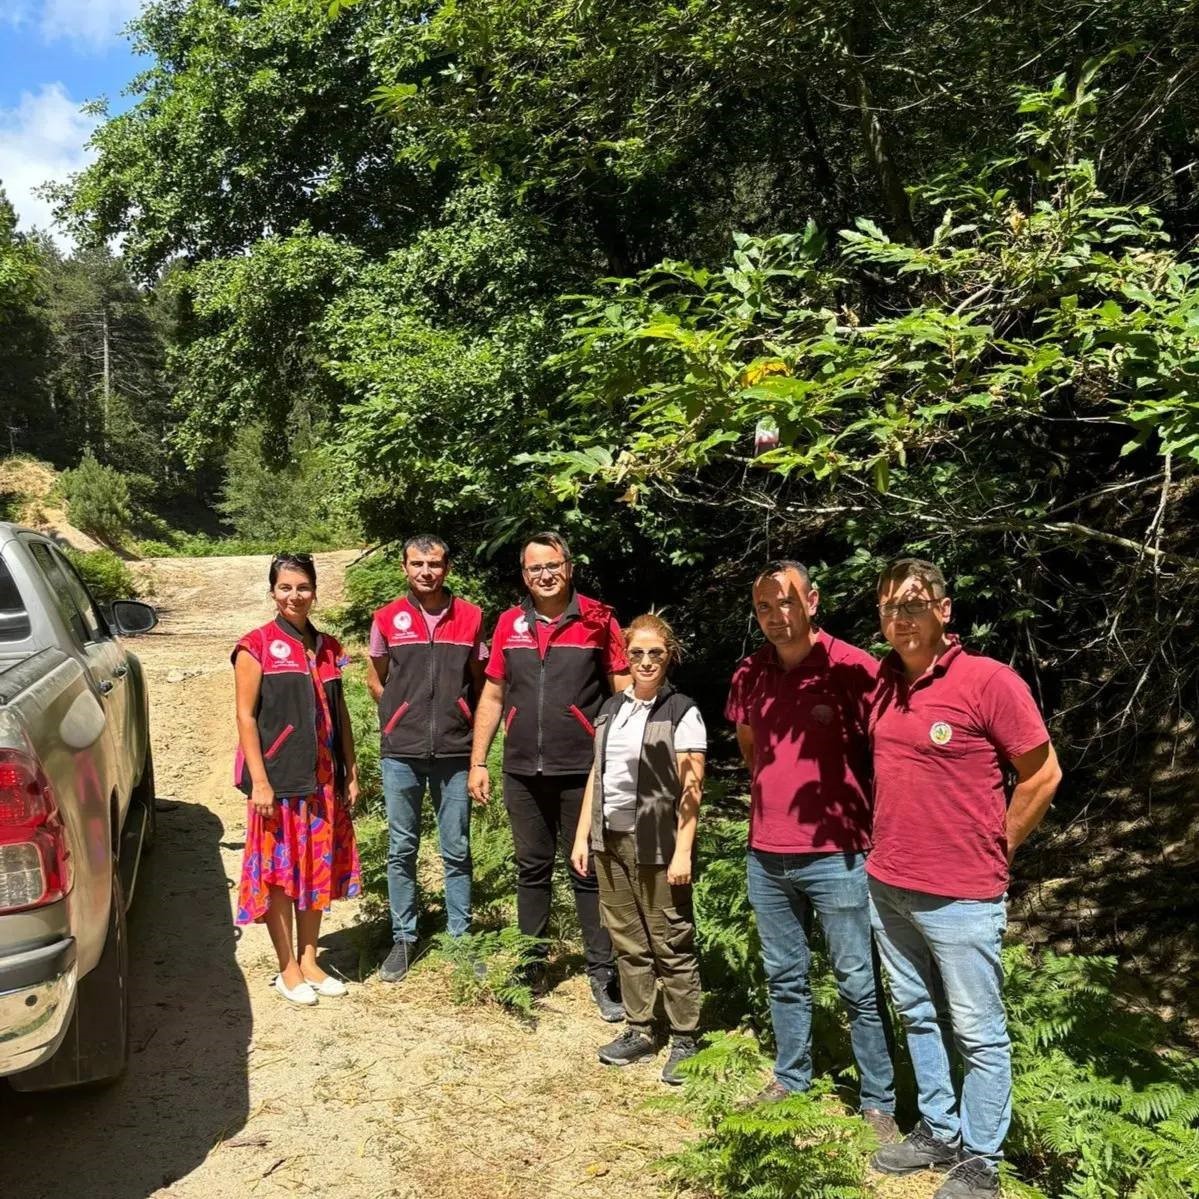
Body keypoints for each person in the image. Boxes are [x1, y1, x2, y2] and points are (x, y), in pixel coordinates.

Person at [867, 558, 1061, 1199]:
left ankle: (981, 1158)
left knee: (978, 1030)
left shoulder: (989, 682)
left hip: (962, 894)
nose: (902, 618)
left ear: (944, 611)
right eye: (892, 607)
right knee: (918, 1014)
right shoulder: (882, 685)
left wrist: (996, 848)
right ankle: (939, 1129)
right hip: (888, 883)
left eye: (915, 605)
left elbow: (1042, 774)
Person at [725, 560, 897, 1138]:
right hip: (766, 853)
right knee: (784, 976)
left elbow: (892, 755)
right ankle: (791, 1077)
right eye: (764, 608)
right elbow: (752, 747)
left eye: (787, 603)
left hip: (840, 853)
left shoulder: (855, 669)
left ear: (813, 601)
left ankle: (878, 1101)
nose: (776, 617)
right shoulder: (750, 672)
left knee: (858, 982)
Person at [468, 531, 631, 1020]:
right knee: (531, 869)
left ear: (569, 566)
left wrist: (621, 758)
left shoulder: (599, 619)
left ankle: (603, 973)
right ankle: (530, 962)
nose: (545, 575)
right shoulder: (508, 624)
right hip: (521, 769)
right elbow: (493, 695)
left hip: (582, 769)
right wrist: (479, 761)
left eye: (553, 565)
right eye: (535, 568)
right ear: (524, 574)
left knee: (586, 870)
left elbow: (622, 690)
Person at [570, 613, 706, 1084]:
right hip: (610, 841)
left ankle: (686, 1036)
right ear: (625, 656)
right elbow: (598, 772)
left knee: (670, 940)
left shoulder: (682, 711)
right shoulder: (611, 707)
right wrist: (583, 833)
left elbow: (692, 787)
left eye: (656, 653)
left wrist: (683, 851)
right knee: (627, 940)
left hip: (658, 843)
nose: (646, 662)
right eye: (637, 653)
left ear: (670, 656)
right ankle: (641, 1028)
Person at [233, 552, 361, 1005]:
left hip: (323, 780)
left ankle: (310, 959)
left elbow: (339, 712)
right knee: (280, 875)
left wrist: (351, 767)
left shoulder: (329, 647)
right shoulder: (256, 646)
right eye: (285, 587)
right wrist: (260, 781)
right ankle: (286, 968)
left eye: (302, 587)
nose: (294, 595)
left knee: (316, 870)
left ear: (314, 591)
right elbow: (246, 718)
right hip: (279, 780)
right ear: (272, 592)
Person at [367, 535, 487, 983]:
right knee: (402, 848)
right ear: (404, 568)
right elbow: (375, 679)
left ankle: (462, 938)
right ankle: (404, 937)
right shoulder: (387, 618)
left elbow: (480, 682)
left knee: (456, 849)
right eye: (417, 563)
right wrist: (397, 714)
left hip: (455, 752)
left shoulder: (471, 617)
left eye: (434, 563)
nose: (425, 572)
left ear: (447, 568)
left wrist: (463, 722)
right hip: (402, 753)